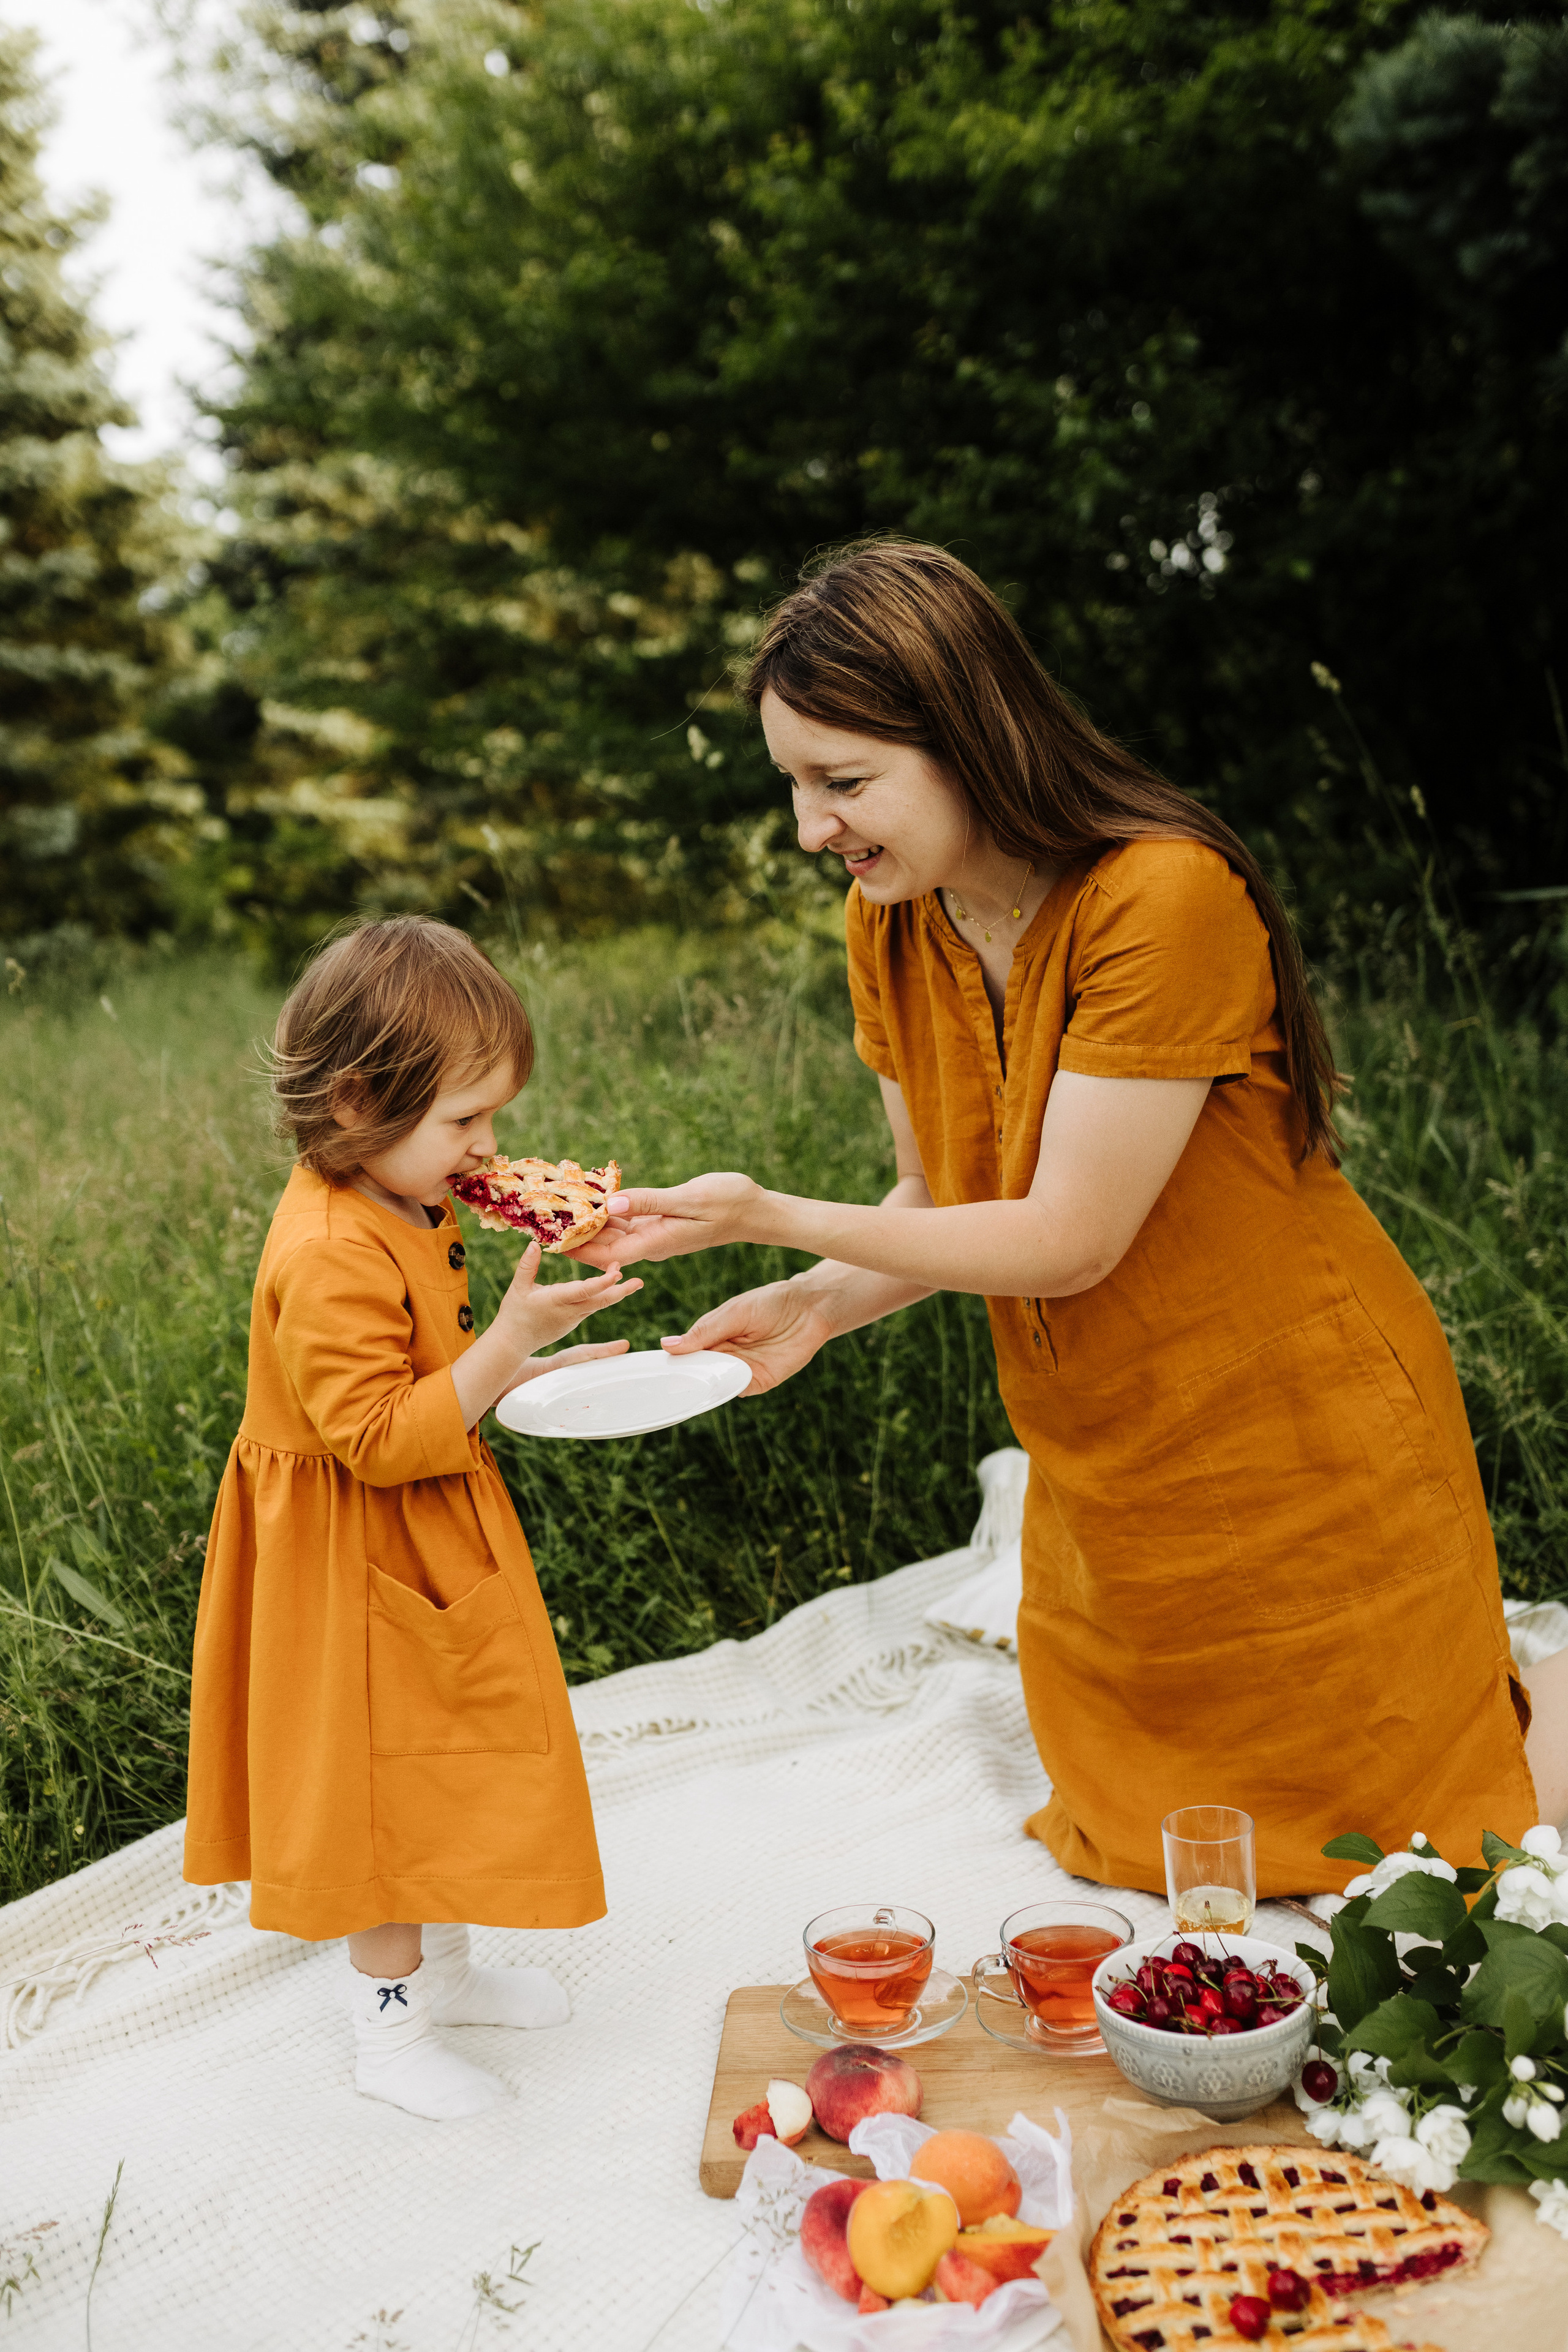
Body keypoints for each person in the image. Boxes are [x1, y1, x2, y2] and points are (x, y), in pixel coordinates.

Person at [580, 538, 1567, 1892]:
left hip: (1293, 1425)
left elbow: (1065, 1238)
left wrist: (770, 1217)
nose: (812, 830)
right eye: (794, 787)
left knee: (1428, 1836)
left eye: (842, 782)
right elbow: (940, 1199)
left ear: (970, 738)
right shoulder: (892, 922)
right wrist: (814, 1309)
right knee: (1145, 1847)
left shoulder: (1161, 897)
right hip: (1102, 1444)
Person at [184, 918, 640, 2117]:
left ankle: (447, 1970)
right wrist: (507, 1345)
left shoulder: (400, 1195)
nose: (489, 1147)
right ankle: (390, 2039)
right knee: (377, 1790)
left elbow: (428, 1378)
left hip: (414, 1535)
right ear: (353, 1101)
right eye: (464, 1122)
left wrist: (539, 1371)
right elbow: (378, 1439)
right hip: (349, 1562)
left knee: (438, 1761)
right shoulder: (329, 1248)